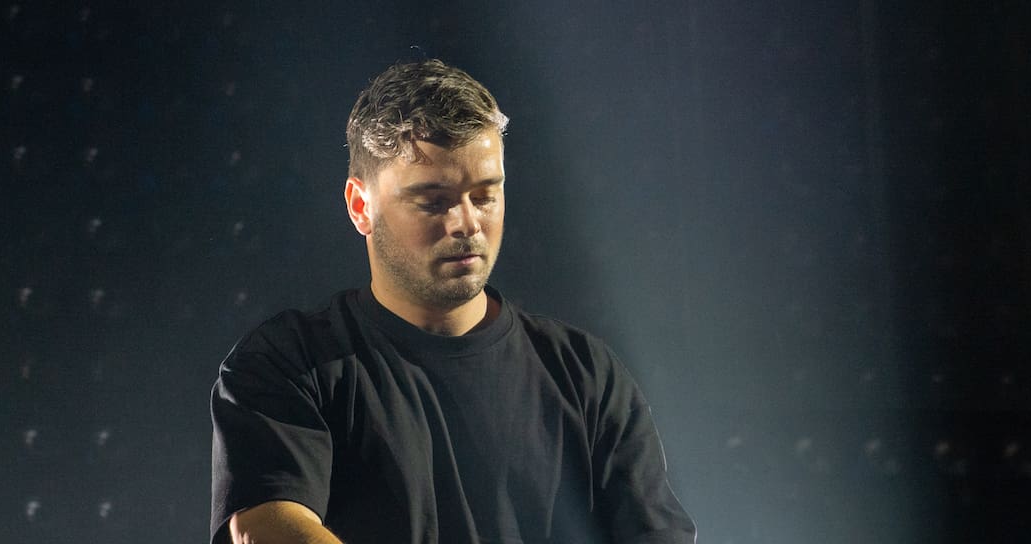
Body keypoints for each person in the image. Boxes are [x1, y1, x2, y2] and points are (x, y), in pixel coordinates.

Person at [210, 59, 696, 544]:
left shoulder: (587, 375)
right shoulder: (289, 363)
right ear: (361, 206)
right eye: (433, 201)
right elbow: (269, 527)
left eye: (485, 196)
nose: (467, 223)